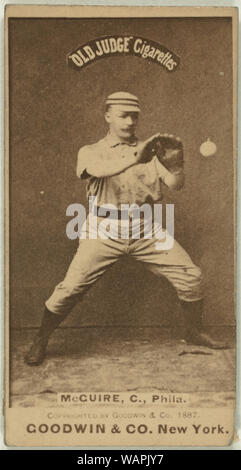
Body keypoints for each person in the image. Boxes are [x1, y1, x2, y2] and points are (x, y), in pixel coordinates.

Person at [25, 91, 226, 366]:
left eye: (135, 115)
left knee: (191, 275)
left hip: (144, 226)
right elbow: (95, 169)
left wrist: (177, 165)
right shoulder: (90, 151)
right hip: (103, 228)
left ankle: (194, 331)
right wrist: (136, 156)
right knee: (69, 289)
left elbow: (176, 185)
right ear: (108, 116)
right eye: (124, 115)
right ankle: (41, 339)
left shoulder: (152, 152)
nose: (131, 121)